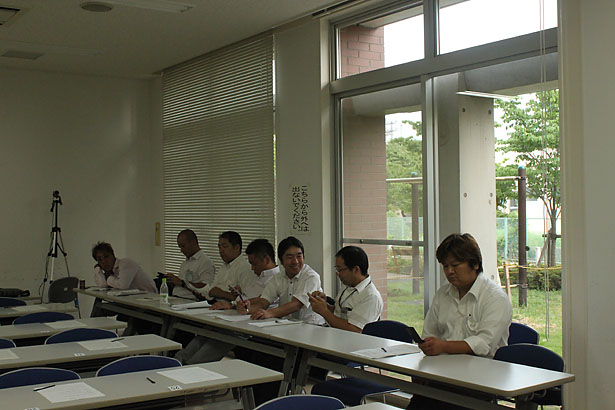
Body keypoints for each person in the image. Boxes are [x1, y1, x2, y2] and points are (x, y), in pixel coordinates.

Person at [407, 233, 513, 410]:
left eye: (455, 265)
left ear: (475, 264)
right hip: (442, 373)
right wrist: (429, 345)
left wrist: (444, 346)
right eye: (445, 266)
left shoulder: (495, 298)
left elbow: (484, 344)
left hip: (480, 379)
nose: (450, 271)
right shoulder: (443, 294)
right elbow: (430, 332)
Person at [175, 238, 278, 365]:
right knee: (207, 331)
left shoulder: (275, 279)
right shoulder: (258, 276)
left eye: (254, 264)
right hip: (236, 318)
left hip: (249, 326)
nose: (252, 268)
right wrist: (235, 299)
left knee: (217, 339)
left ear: (266, 260)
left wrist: (234, 304)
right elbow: (244, 298)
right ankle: (178, 361)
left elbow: (260, 302)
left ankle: (191, 366)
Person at [238, 236, 324, 325]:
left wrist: (270, 313)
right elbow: (264, 302)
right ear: (281, 260)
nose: (295, 261)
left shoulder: (311, 276)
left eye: (299, 256)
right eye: (290, 257)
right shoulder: (278, 277)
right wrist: (248, 309)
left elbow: (296, 304)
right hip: (288, 325)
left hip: (312, 326)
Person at [308, 245, 382, 332]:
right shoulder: (348, 284)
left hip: (352, 339)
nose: (338, 274)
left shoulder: (371, 296)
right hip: (335, 334)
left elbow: (354, 329)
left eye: (340, 270)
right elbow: (339, 313)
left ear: (356, 269)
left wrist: (324, 312)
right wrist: (323, 304)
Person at [193, 231, 252, 302]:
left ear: (237, 247)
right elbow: (212, 290)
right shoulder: (223, 267)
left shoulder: (246, 269)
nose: (221, 251)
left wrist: (222, 294)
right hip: (213, 303)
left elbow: (247, 301)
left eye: (224, 247)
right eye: (219, 247)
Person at [165, 229, 215, 299]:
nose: (181, 250)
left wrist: (182, 283)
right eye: (180, 247)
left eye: (183, 246)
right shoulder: (186, 262)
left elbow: (204, 287)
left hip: (190, 300)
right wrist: (172, 281)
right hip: (176, 298)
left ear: (193, 242)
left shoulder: (205, 262)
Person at [92, 241, 156, 293]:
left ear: (113, 255)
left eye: (106, 257)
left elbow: (123, 286)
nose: (104, 261)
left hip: (149, 298)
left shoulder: (125, 263)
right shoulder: (110, 271)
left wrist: (108, 277)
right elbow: (103, 285)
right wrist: (98, 270)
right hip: (131, 299)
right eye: (99, 259)